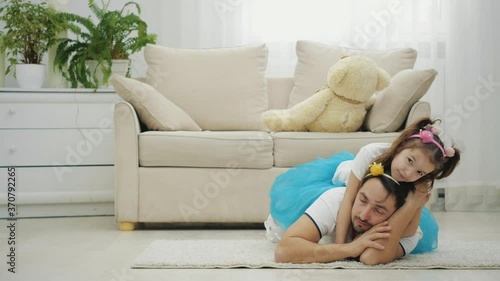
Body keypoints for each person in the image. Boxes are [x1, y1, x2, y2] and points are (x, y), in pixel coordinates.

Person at [265, 117, 461, 254]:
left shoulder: (417, 181)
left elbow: (409, 228)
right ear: (400, 146)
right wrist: (342, 248)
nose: (409, 173)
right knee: (342, 194)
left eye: (419, 172)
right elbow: (349, 200)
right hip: (350, 182)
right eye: (409, 161)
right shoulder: (371, 153)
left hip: (386, 198)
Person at [274, 164, 425, 265]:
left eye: (379, 210)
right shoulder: (336, 200)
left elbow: (371, 257)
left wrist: (413, 203)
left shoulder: (410, 233)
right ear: (356, 194)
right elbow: (284, 251)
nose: (364, 215)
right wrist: (350, 248)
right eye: (362, 200)